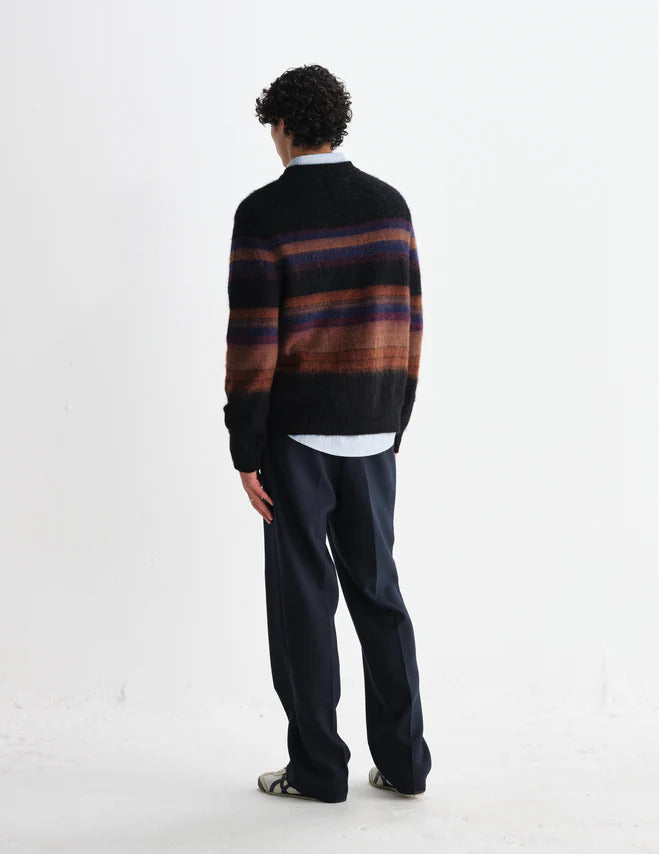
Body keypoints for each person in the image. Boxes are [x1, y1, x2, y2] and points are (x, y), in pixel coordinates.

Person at [223, 64, 431, 803]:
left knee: (304, 601)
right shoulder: (389, 206)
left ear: (284, 127)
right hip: (373, 432)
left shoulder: (263, 214)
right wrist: (393, 420)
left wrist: (245, 448)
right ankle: (405, 764)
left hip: (296, 441)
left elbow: (252, 342)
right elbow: (411, 324)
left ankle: (318, 769)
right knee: (379, 594)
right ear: (335, 125)